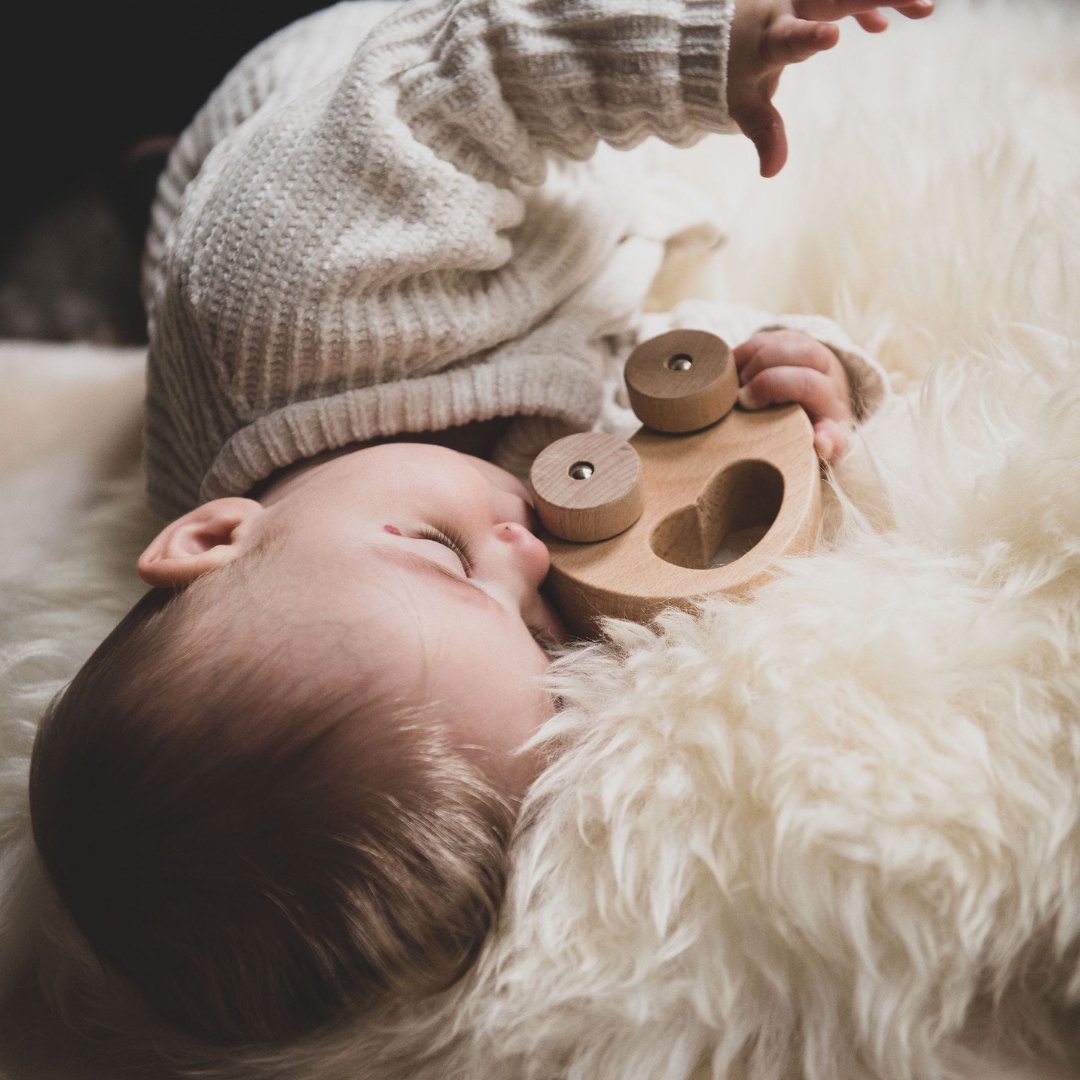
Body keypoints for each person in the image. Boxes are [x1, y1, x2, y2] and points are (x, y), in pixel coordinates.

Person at [27, 0, 934, 1052]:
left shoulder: (283, 294)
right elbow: (655, 385)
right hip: (510, 261)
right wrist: (795, 377)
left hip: (359, 88)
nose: (530, 554)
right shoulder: (449, 534)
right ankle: (148, 187)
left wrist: (693, 48)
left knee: (247, 168)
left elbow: (464, 75)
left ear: (214, 534)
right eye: (537, 637)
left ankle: (163, 177)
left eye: (440, 554)